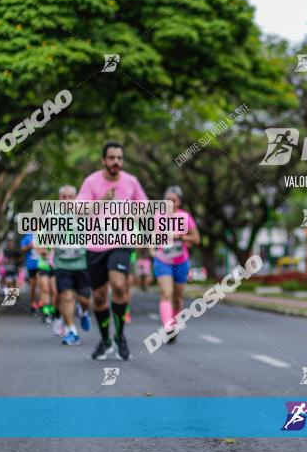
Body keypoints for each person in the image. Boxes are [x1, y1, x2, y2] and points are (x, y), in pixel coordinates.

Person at [77, 141, 148, 361]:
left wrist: (133, 214)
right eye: (111, 157)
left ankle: (120, 336)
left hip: (122, 242)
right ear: (103, 160)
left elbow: (145, 208)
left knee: (118, 284)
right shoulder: (91, 182)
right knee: (99, 298)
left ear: (122, 160)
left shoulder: (131, 182)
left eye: (119, 158)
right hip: (96, 244)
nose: (115, 161)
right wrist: (102, 201)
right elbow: (79, 209)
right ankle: (106, 340)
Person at [151, 186, 199, 344]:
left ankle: (174, 325)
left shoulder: (185, 217)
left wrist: (180, 237)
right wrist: (152, 250)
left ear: (179, 202)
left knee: (177, 299)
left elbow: (196, 239)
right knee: (166, 293)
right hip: (163, 261)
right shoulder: (158, 216)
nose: (170, 203)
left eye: (174, 200)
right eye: (167, 200)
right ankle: (168, 327)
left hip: (181, 262)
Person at [52, 185, 92, 346]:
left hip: (83, 264)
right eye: (64, 197)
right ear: (59, 199)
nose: (67, 200)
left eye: (71, 197)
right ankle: (71, 331)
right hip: (62, 265)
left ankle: (84, 311)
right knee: (66, 297)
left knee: (84, 299)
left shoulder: (84, 216)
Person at [21, 233, 40, 314]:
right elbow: (22, 249)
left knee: (42, 284)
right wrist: (30, 246)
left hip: (42, 265)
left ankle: (43, 304)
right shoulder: (28, 236)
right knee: (33, 286)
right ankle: (33, 304)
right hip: (31, 265)